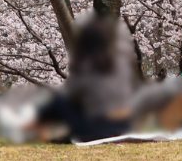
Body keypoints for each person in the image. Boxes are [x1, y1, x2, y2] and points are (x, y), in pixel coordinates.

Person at [37, 13, 138, 142]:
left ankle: (35, 127)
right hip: (124, 125)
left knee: (60, 101)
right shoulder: (122, 63)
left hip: (97, 128)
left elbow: (71, 94)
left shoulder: (87, 65)